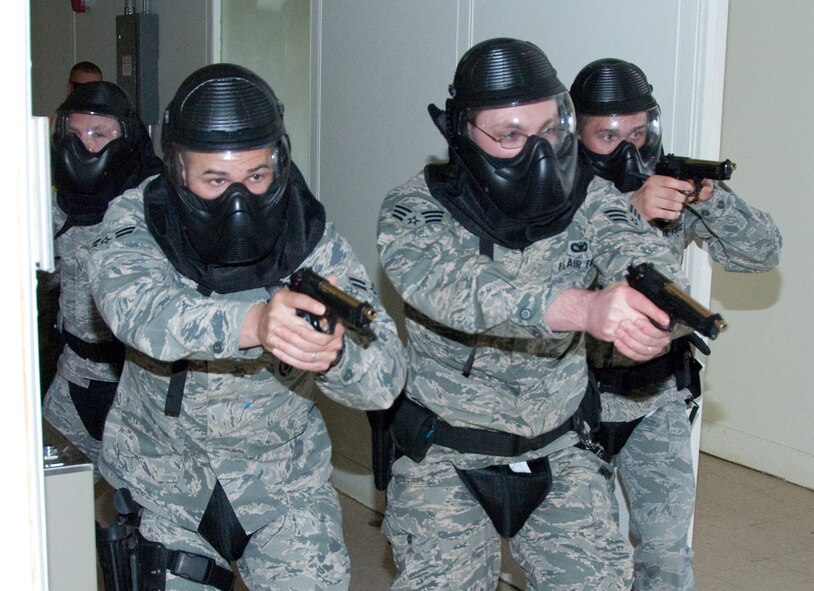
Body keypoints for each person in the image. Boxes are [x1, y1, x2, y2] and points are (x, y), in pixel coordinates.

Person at [376, 38, 692, 591]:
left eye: (548, 131)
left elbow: (640, 254)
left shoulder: (588, 197)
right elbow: (453, 288)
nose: (537, 151)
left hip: (559, 450)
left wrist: (659, 308)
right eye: (510, 135)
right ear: (461, 132)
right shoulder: (417, 209)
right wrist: (582, 307)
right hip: (448, 457)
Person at [88, 63, 406, 590]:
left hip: (284, 484)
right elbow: (138, 312)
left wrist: (334, 353)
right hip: (162, 480)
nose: (241, 199)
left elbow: (386, 377)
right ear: (177, 168)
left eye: (257, 177)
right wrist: (256, 321)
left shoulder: (310, 235)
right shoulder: (135, 217)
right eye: (215, 180)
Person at [569, 58, 782, 590]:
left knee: (667, 548)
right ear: (576, 132)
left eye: (639, 132)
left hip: (655, 393)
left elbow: (761, 254)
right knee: (589, 556)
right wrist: (628, 212)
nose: (627, 149)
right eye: (608, 135)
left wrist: (712, 204)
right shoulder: (550, 190)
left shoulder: (664, 179)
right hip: (572, 400)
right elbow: (549, 278)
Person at [42, 81, 162, 477]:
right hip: (73, 376)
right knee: (51, 496)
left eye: (99, 134)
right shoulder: (55, 204)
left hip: (140, 389)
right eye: (75, 134)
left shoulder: (156, 204)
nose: (85, 147)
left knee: (149, 517)